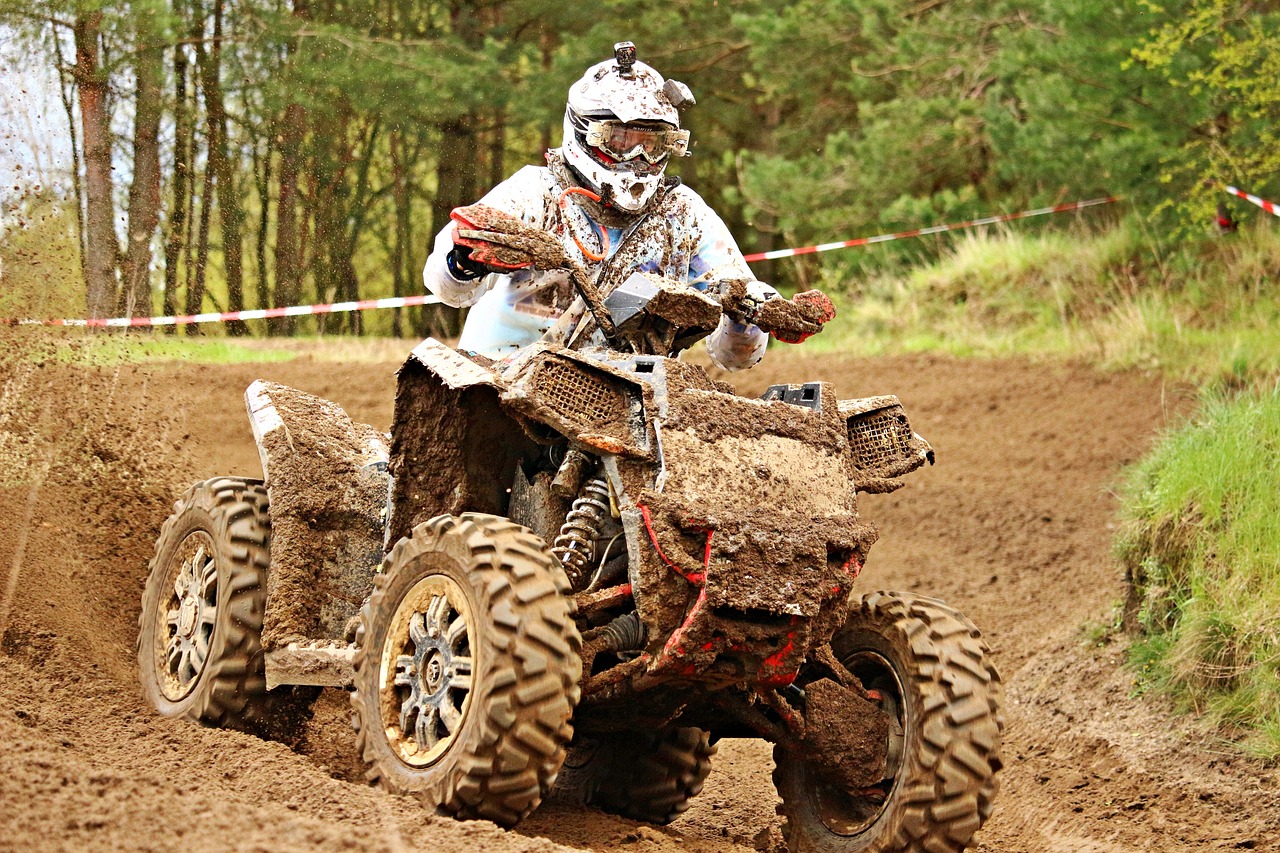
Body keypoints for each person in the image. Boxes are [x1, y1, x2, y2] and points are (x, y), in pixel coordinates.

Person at [423, 42, 825, 370]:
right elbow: (446, 289)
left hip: (628, 395)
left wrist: (748, 317)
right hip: (501, 371)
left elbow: (735, 359)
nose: (637, 158)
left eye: (651, 144)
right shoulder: (536, 191)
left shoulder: (682, 213)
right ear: (585, 132)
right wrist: (464, 259)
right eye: (619, 139)